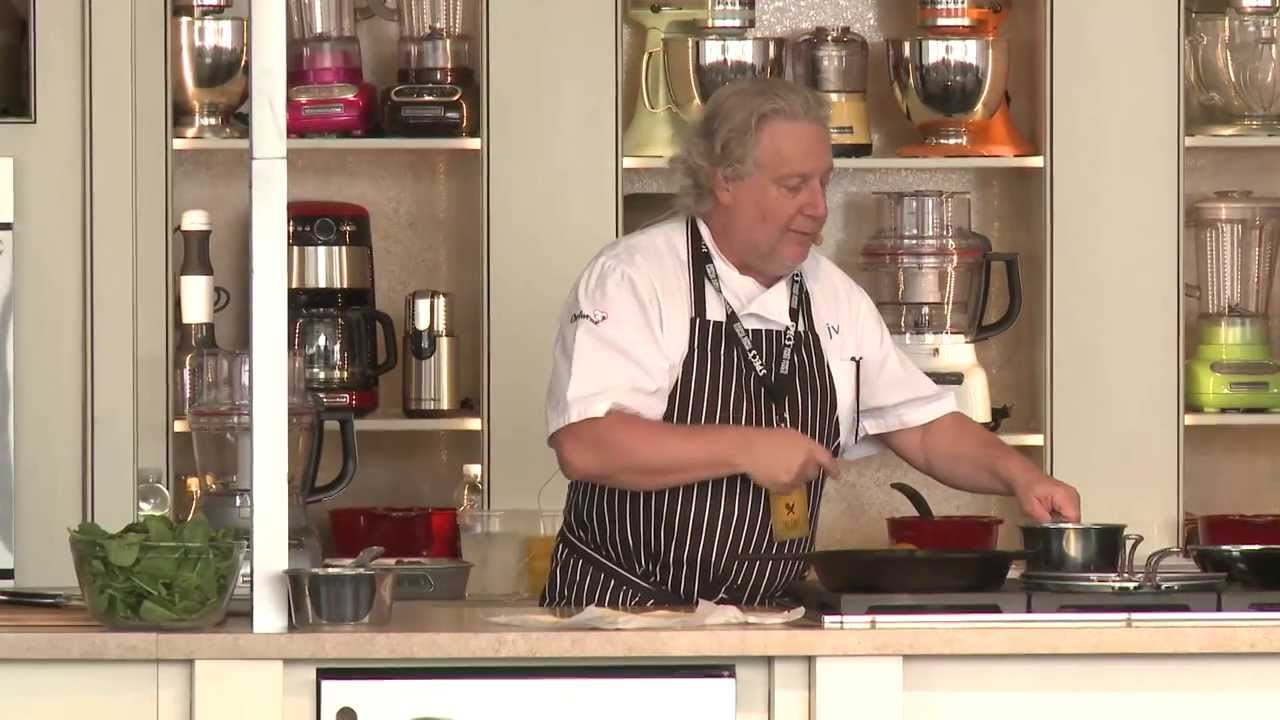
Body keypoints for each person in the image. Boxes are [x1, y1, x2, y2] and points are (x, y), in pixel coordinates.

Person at [540, 78, 1080, 608]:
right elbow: (586, 445)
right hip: (618, 617)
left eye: (824, 183)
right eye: (794, 185)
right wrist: (747, 448)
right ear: (724, 181)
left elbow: (924, 429)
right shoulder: (635, 276)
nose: (819, 207)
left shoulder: (832, 295)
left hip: (765, 616)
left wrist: (1022, 477)